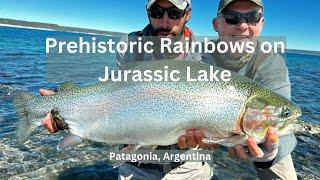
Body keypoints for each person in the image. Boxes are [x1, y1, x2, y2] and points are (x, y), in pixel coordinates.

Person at [199, 0, 298, 179]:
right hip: (208, 132)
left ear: (261, 23)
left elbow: (282, 126)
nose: (243, 26)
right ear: (216, 24)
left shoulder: (271, 63)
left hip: (255, 134)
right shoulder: (198, 57)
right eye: (232, 18)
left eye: (252, 17)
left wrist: (270, 154)